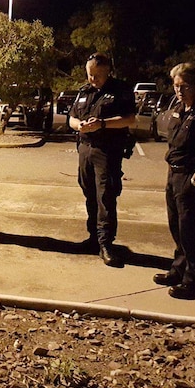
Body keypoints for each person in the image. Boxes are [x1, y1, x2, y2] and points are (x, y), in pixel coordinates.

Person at [153, 62, 195, 299]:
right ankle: (179, 268)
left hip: (191, 177)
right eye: (175, 85)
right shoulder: (181, 108)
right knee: (177, 225)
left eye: (184, 85)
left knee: (191, 229)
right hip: (174, 174)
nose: (179, 90)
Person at [68, 53, 137, 267]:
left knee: (106, 196)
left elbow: (130, 119)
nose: (93, 79)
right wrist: (78, 125)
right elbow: (71, 117)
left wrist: (103, 124)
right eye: (90, 74)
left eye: (97, 75)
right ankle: (93, 239)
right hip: (85, 149)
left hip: (107, 151)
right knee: (89, 193)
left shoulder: (121, 91)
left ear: (108, 71)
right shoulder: (84, 92)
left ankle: (106, 244)